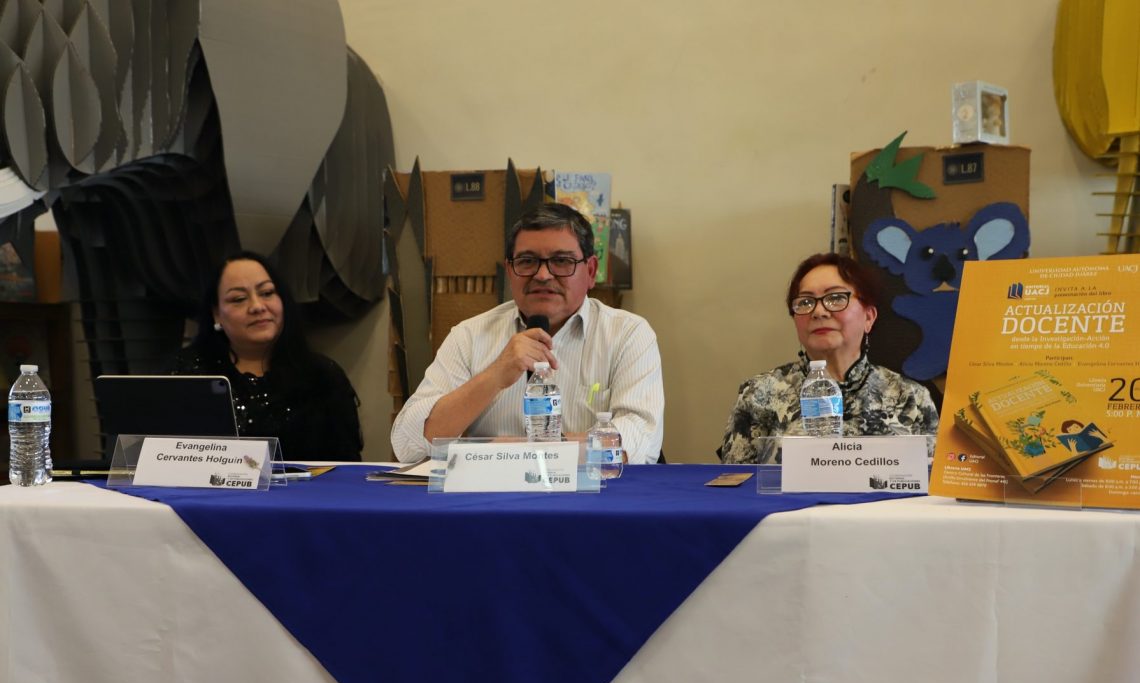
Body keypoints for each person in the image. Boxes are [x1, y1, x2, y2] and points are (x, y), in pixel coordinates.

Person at [391, 202, 664, 463]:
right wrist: (495, 375)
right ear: (510, 271)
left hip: (592, 493)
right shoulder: (469, 336)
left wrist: (519, 453)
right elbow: (407, 444)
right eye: (527, 261)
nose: (543, 275)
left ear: (590, 271)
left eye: (561, 261)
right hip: (490, 495)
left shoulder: (627, 334)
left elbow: (640, 439)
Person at [718, 252, 939, 464]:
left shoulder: (911, 397)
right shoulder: (760, 393)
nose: (819, 312)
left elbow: (933, 482)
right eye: (805, 302)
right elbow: (738, 482)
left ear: (868, 317)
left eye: (835, 298)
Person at [171, 251, 363, 461]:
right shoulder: (188, 373)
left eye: (267, 293)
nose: (257, 306)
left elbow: (347, 465)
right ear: (217, 314)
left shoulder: (323, 375)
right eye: (239, 299)